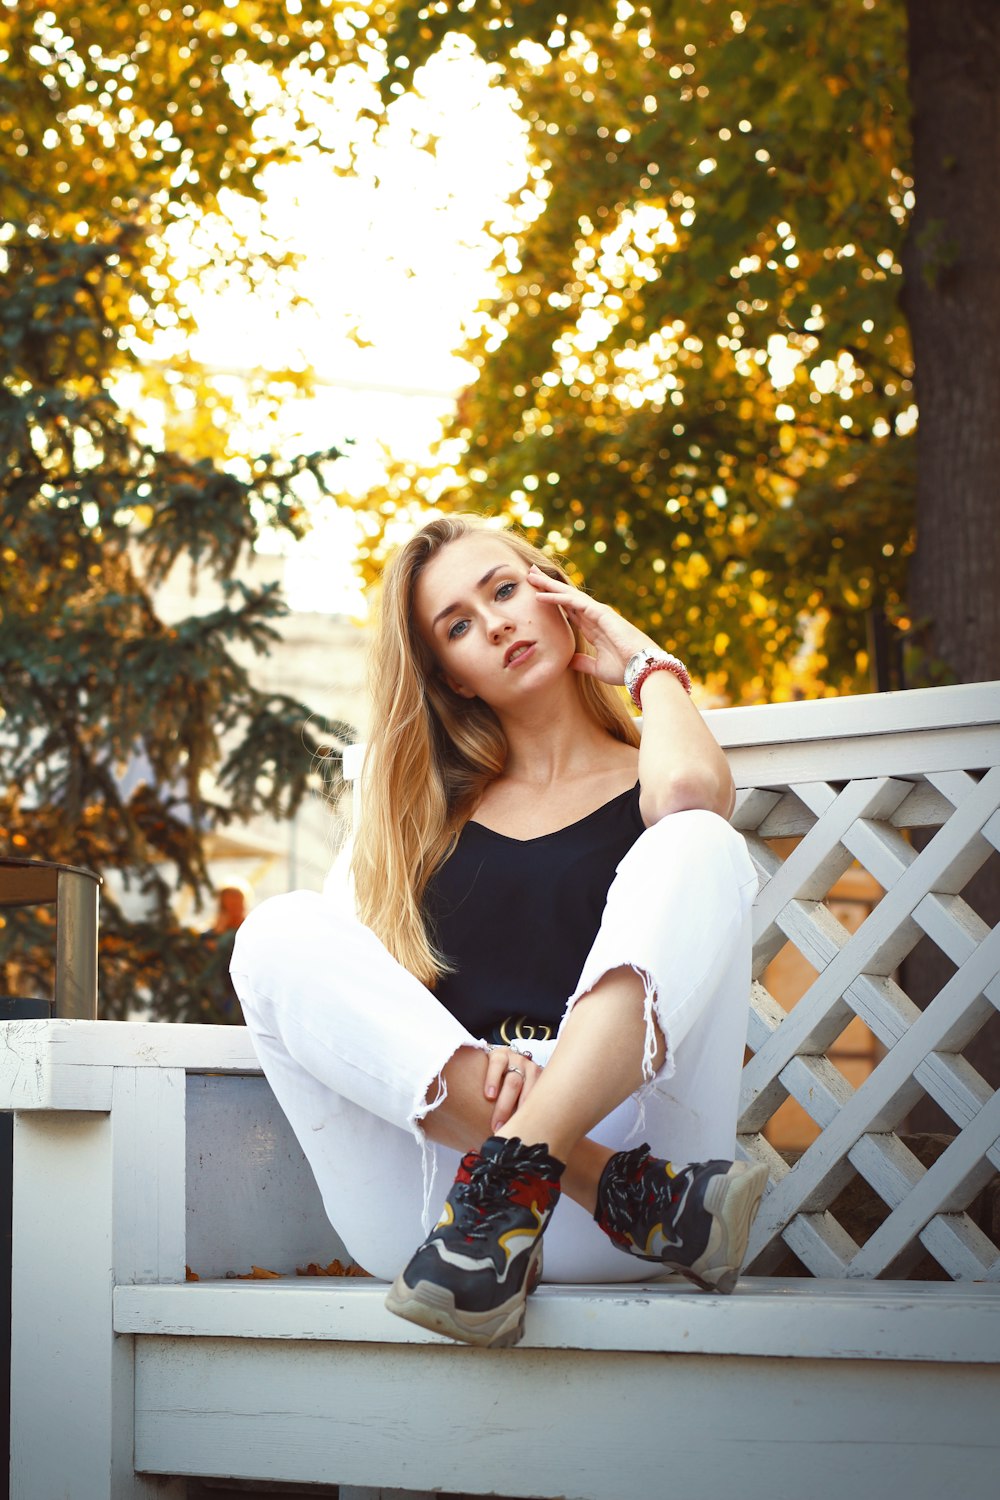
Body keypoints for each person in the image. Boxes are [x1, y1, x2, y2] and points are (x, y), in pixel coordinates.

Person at [230, 514, 766, 1349]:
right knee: (274, 930)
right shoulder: (420, 821)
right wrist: (477, 1073)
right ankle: (603, 1185)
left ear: (559, 596)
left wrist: (643, 663)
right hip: (453, 1210)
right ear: (454, 679)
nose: (498, 623)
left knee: (700, 839)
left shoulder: (655, 780)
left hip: (621, 1160)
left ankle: (544, 1168)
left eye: (506, 589)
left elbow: (694, 792)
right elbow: (362, 1021)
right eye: (459, 626)